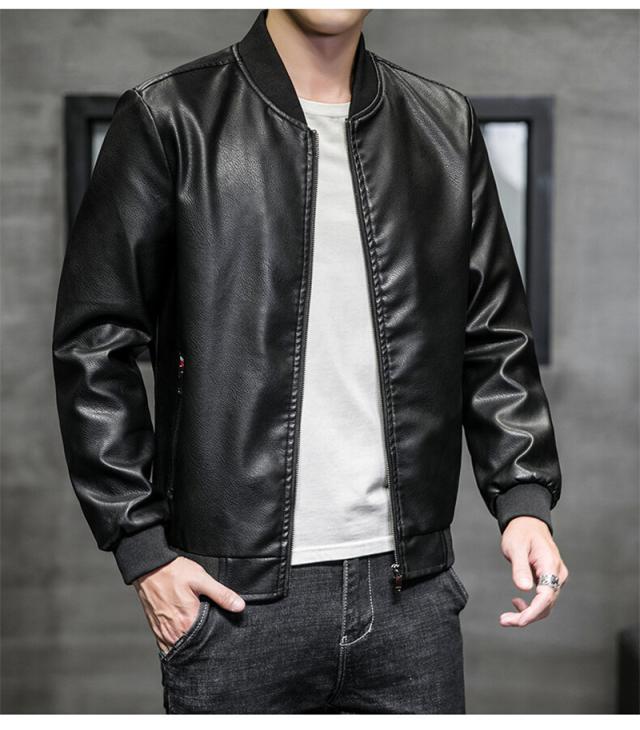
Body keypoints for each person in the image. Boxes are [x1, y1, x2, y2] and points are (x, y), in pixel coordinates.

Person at [52, 8, 569, 714]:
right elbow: (95, 343)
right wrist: (143, 550)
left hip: (411, 599)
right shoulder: (170, 117)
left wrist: (523, 501)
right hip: (234, 603)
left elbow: (492, 332)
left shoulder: (444, 124)